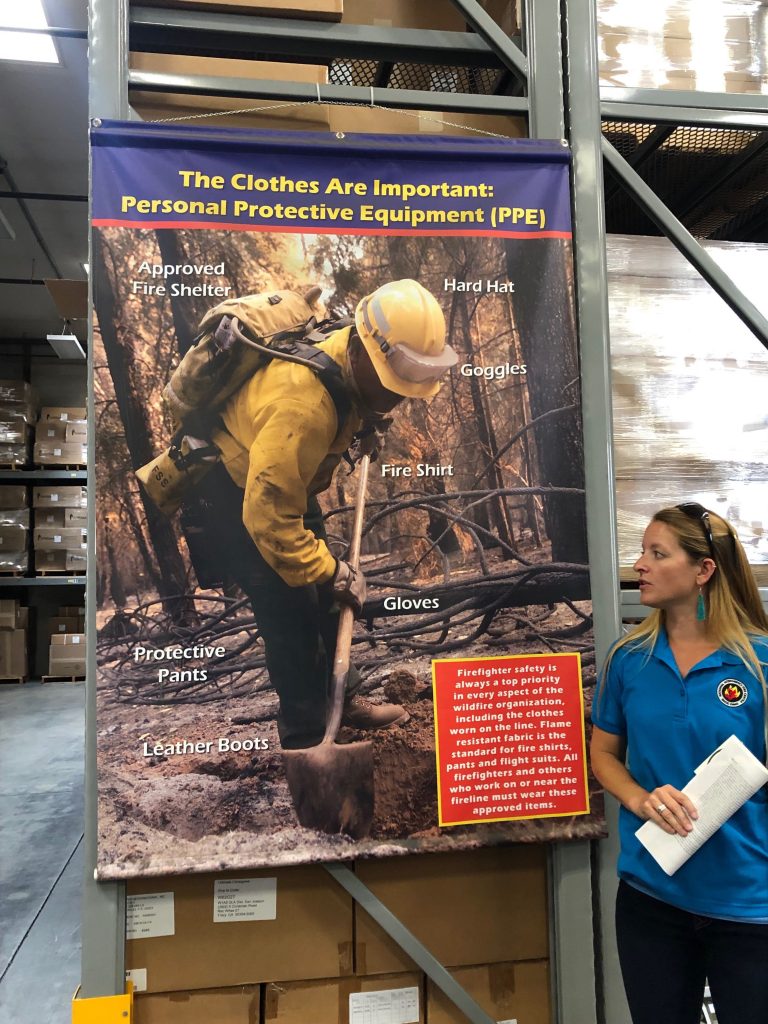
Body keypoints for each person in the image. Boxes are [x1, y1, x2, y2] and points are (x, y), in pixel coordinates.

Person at [185, 279, 457, 750]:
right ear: (366, 352)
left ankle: (342, 699)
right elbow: (269, 518)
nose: (400, 396)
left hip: (283, 476)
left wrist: (368, 422)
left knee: (327, 593)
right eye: (394, 386)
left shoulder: (347, 348)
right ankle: (307, 736)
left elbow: (352, 396)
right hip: (236, 490)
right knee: (287, 610)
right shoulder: (302, 407)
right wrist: (331, 572)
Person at [590, 502, 768, 1024]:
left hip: (749, 904)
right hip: (652, 901)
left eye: (656, 553)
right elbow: (603, 754)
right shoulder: (628, 660)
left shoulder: (759, 663)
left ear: (703, 570)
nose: (638, 564)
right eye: (642, 551)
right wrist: (638, 798)